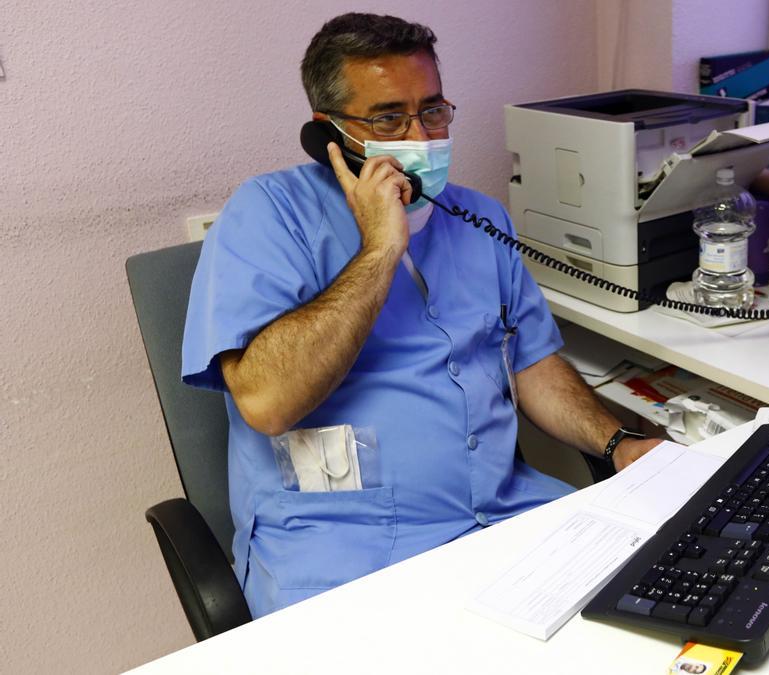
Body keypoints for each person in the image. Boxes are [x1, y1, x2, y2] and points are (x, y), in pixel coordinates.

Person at [182, 12, 661, 617]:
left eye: (432, 111)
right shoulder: (267, 214)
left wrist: (617, 442)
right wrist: (381, 248)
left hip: (509, 520)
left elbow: (531, 363)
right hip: (345, 553)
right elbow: (267, 402)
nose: (418, 137)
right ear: (327, 133)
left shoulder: (479, 217)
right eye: (388, 118)